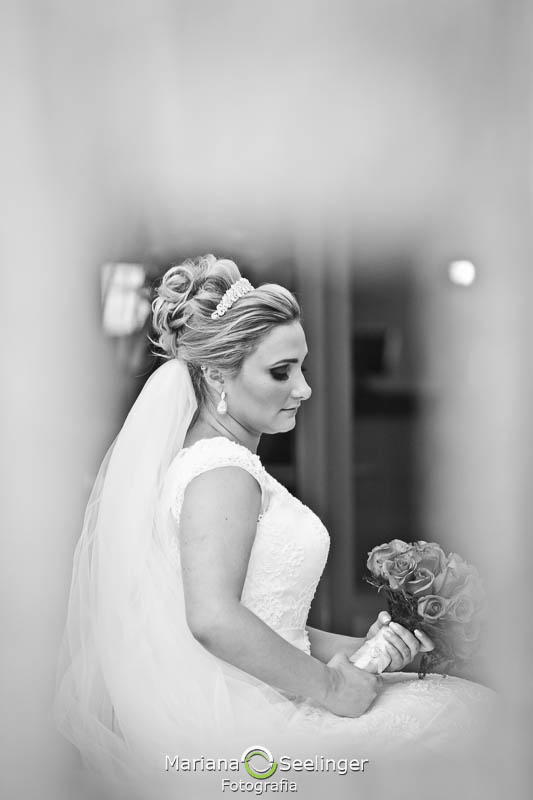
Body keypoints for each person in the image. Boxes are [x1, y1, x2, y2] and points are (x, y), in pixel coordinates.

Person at [55, 255, 496, 797]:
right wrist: (333, 688)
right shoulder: (222, 472)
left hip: (272, 695)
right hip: (250, 726)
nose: (305, 389)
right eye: (281, 371)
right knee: (470, 725)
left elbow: (270, 624)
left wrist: (367, 647)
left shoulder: (216, 462)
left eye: (302, 367)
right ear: (216, 373)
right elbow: (213, 620)